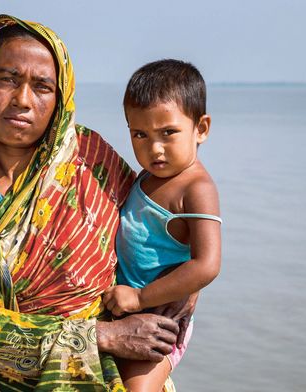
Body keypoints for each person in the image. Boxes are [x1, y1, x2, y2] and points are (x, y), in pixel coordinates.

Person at [0, 15, 194, 391]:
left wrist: (187, 287)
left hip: (125, 373)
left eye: (42, 86)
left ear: (60, 96)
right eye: (8, 79)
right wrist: (101, 336)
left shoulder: (90, 155)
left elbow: (159, 231)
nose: (22, 100)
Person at [102, 60, 222, 391]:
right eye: (140, 134)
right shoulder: (148, 176)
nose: (154, 148)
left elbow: (207, 265)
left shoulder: (196, 189)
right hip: (122, 308)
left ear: (201, 128)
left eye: (168, 133)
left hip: (161, 319)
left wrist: (140, 298)